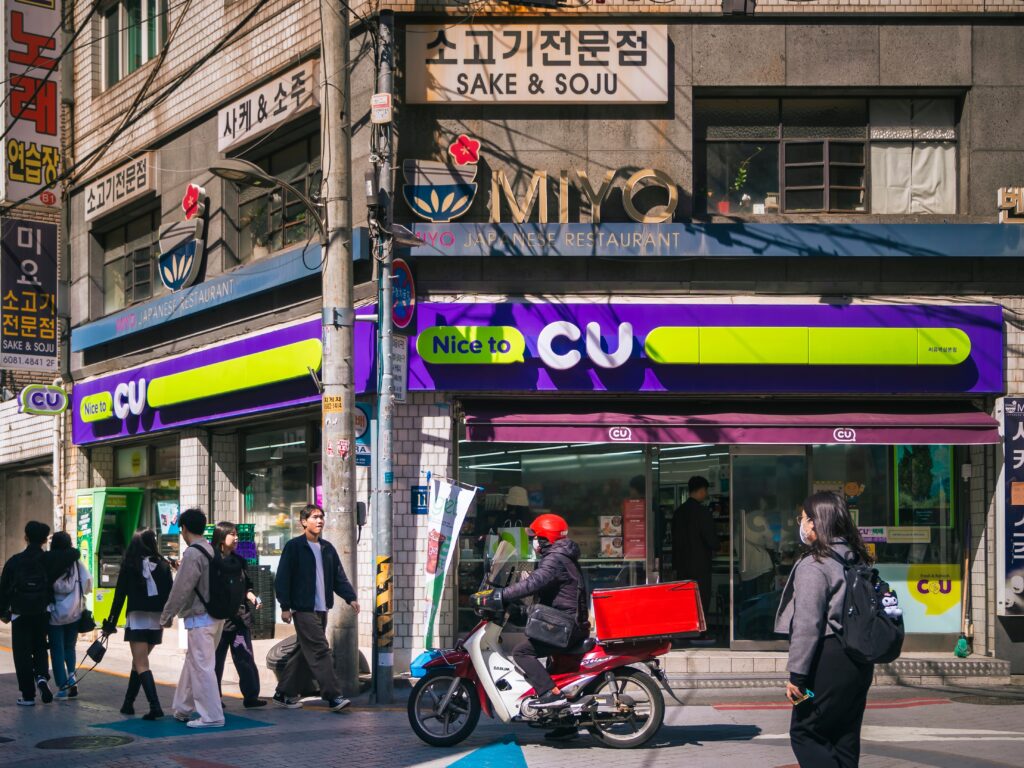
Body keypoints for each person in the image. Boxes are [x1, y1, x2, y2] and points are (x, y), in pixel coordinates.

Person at [775, 492, 875, 768]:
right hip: (859, 659)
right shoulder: (855, 557)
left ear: (816, 522)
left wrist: (797, 675)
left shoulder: (815, 564)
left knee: (805, 732)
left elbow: (808, 624)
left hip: (826, 660)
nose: (801, 525)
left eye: (803, 518)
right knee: (845, 735)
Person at [497, 514, 588, 718]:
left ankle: (550, 694)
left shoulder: (554, 559)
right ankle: (563, 723)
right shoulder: (561, 556)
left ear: (546, 538)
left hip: (566, 625)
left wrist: (500, 594)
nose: (534, 542)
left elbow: (534, 584)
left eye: (536, 537)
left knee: (521, 652)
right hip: (568, 622)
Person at [273, 503, 360, 711]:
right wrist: (285, 606)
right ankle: (333, 696)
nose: (319, 520)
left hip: (322, 609)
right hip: (302, 609)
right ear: (304, 522)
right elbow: (283, 578)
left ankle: (283, 693)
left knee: (304, 653)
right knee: (320, 650)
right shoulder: (294, 547)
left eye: (321, 517)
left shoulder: (327, 548)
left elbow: (338, 576)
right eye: (314, 517)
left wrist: (350, 597)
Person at [0, 520, 78, 706]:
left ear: (25, 537)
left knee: (22, 654)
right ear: (44, 540)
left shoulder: (15, 561)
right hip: (42, 611)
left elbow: (3, 590)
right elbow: (74, 553)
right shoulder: (49, 559)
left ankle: (28, 695)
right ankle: (42, 677)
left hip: (20, 613)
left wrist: (3, 612)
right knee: (40, 647)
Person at [159, 508, 225, 728]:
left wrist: (166, 615)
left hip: (200, 617)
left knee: (202, 667)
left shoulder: (192, 553)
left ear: (184, 528)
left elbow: (181, 589)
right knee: (194, 664)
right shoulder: (211, 549)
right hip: (217, 616)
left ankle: (212, 716)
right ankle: (182, 708)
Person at [103, 528, 173, 719]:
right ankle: (128, 703)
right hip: (157, 621)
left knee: (141, 663)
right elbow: (170, 594)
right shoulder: (164, 565)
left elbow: (119, 596)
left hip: (137, 619)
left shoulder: (130, 565)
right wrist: (169, 617)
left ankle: (155, 707)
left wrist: (110, 622)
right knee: (138, 662)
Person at [211, 522, 266, 708]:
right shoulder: (211, 561)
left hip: (240, 619)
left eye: (237, 535)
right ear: (221, 537)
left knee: (245, 658)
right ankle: (214, 698)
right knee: (216, 661)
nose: (236, 538)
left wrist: (253, 598)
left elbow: (247, 588)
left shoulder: (240, 561)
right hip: (218, 620)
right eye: (232, 535)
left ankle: (251, 697)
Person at [48, 531, 92, 700]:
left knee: (57, 650)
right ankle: (72, 678)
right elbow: (87, 583)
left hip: (54, 614)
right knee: (69, 647)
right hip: (74, 613)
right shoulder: (76, 563)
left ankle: (62, 688)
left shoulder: (49, 561)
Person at [672, 476, 719, 621]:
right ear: (702, 490)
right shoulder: (703, 512)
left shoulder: (678, 512)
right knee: (701, 600)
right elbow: (711, 539)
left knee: (685, 600)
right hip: (700, 566)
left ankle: (687, 629)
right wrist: (717, 546)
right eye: (706, 491)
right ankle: (700, 630)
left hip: (682, 567)